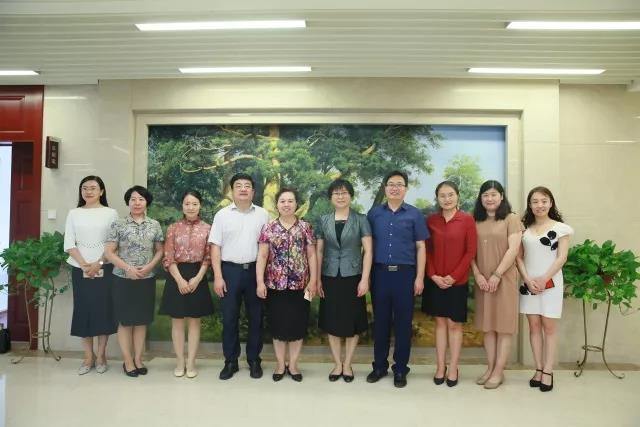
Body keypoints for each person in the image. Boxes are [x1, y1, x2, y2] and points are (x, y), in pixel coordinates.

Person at [366, 171, 428, 388]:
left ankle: (400, 368)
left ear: (406, 189)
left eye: (399, 184)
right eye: (391, 184)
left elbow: (421, 247)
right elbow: (367, 247)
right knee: (380, 323)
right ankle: (379, 366)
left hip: (405, 275)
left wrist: (419, 277)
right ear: (385, 188)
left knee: (403, 324)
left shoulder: (415, 214)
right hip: (380, 274)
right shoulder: (374, 214)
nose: (394, 188)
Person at [209, 173, 270, 380]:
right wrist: (218, 276)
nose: (243, 189)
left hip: (255, 272)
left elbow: (265, 248)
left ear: (253, 191)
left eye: (247, 186)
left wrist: (261, 279)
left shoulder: (263, 215)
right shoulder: (222, 215)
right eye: (238, 185)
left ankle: (254, 360)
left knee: (256, 318)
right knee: (229, 318)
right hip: (229, 272)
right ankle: (230, 361)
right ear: (232, 190)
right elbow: (215, 247)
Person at [256, 188, 317, 382]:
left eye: (290, 201)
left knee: (297, 326)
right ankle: (280, 364)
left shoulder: (305, 227)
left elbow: (312, 255)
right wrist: (260, 282)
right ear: (277, 205)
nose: (287, 204)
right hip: (275, 285)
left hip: (300, 286)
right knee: (278, 326)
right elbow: (262, 256)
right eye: (282, 201)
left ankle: (294, 365)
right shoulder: (268, 228)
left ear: (297, 204)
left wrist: (313, 280)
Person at [316, 179, 373, 382]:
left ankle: (348, 364)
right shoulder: (323, 220)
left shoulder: (361, 219)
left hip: (353, 277)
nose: (340, 196)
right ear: (331, 197)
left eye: (344, 193)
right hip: (330, 276)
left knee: (352, 321)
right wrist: (317, 279)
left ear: (351, 196)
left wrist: (365, 279)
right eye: (336, 193)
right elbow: (319, 251)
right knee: (332, 320)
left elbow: (368, 250)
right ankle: (337, 364)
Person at [517, 186, 573, 392]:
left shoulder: (561, 228)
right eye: (535, 201)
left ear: (551, 203)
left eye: (543, 201)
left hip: (551, 284)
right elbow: (518, 257)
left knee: (549, 328)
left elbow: (562, 258)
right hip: (528, 284)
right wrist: (527, 279)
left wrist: (544, 279)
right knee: (533, 327)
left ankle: (548, 371)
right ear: (530, 205)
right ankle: (538, 369)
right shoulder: (524, 229)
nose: (539, 205)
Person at [104, 185, 164, 377]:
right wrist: (128, 268)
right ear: (128, 202)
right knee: (125, 321)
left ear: (147, 202)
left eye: (141, 199)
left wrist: (149, 267)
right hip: (123, 279)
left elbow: (160, 250)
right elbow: (109, 252)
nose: (137, 203)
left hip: (147, 279)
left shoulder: (154, 224)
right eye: (133, 199)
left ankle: (138, 359)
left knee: (141, 321)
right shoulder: (118, 224)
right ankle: (128, 361)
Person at [423, 180, 477, 387]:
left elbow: (470, 251)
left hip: (457, 281)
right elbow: (426, 250)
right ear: (437, 199)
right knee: (439, 323)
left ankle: (453, 367)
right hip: (435, 281)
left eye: (450, 195)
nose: (447, 199)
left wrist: (454, 276)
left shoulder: (467, 220)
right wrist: (433, 275)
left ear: (457, 196)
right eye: (442, 196)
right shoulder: (431, 220)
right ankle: (440, 366)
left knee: (454, 324)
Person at [64, 175, 118, 375]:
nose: (88, 191)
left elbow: (113, 243)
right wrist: (85, 265)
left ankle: (102, 355)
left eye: (93, 188)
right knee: (84, 311)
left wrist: (99, 263)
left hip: (105, 268)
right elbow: (69, 243)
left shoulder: (111, 213)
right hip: (80, 269)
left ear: (101, 191)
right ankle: (88, 357)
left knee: (103, 311)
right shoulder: (74, 213)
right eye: (84, 188)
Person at [471, 180, 523, 389]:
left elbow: (514, 249)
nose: (489, 198)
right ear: (480, 198)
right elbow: (469, 251)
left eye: (493, 194)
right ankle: (490, 368)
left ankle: (499, 371)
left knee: (503, 327)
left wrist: (497, 274)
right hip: (483, 281)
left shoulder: (511, 218)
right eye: (485, 195)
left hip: (503, 279)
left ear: (501, 196)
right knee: (488, 327)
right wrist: (477, 274)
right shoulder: (475, 220)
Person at [159, 190, 214, 378]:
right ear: (182, 206)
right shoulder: (173, 228)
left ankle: (191, 362)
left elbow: (208, 257)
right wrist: (180, 280)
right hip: (176, 275)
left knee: (194, 321)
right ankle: (180, 362)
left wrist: (197, 279)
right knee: (177, 321)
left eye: (194, 204)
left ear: (200, 206)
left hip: (198, 274)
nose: (191, 207)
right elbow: (168, 256)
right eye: (187, 204)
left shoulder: (208, 228)